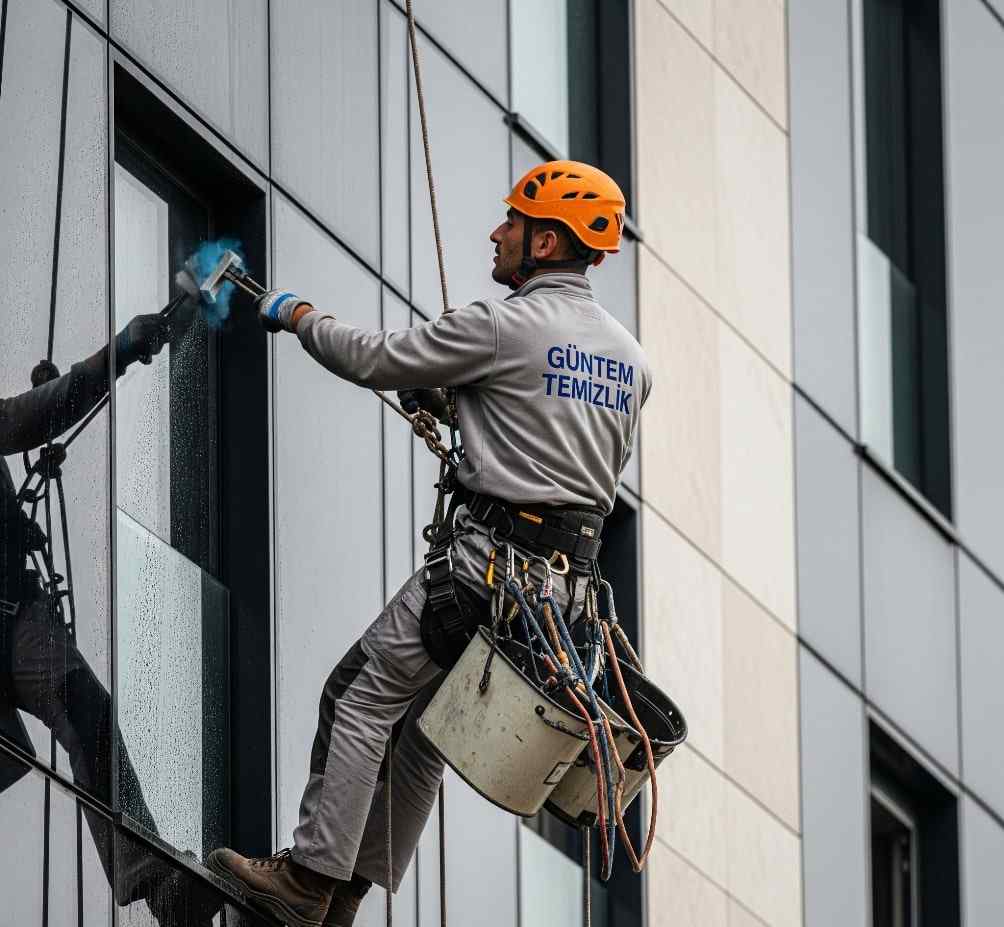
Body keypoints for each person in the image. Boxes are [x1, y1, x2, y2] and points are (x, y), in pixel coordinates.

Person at [208, 160, 651, 927]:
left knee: (358, 693)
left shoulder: (502, 325)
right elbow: (562, 451)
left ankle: (307, 879)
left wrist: (299, 313)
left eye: (512, 222)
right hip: (559, 601)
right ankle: (344, 897)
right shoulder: (631, 364)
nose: (497, 231)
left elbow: (371, 358)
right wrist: (461, 405)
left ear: (546, 241)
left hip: (485, 569)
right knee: (422, 739)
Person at [0, 309, 211, 924]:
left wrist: (116, 354)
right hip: (13, 620)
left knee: (90, 715)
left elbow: (39, 411)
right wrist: (117, 352)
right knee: (88, 715)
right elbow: (36, 413)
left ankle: (154, 878)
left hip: (14, 619)